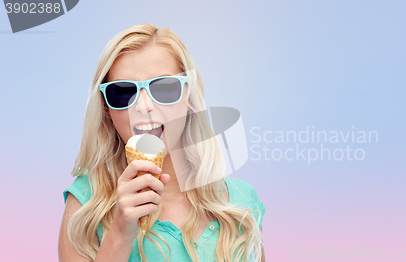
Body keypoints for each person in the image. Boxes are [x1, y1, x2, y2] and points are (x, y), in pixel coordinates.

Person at [58, 23, 266, 262]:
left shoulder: (242, 203)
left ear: (188, 97)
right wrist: (120, 232)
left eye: (164, 88)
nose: (144, 106)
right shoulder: (86, 203)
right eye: (123, 92)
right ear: (107, 110)